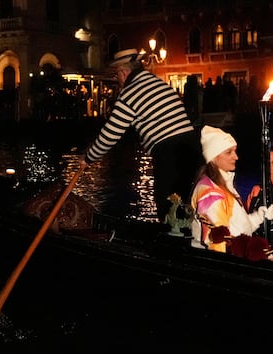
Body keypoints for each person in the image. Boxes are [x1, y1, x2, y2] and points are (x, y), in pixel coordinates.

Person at [82, 49, 203, 223]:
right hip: (192, 148)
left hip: (170, 153)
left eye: (117, 75)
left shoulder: (129, 93)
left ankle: (174, 237)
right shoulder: (158, 83)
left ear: (124, 72)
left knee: (169, 207)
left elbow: (110, 135)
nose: (117, 81)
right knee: (189, 203)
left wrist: (88, 158)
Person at [190, 125, 273, 257]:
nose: (236, 157)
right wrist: (256, 253)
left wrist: (258, 217)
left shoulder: (224, 185)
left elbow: (238, 229)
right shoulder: (210, 194)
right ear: (213, 157)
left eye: (235, 151)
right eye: (229, 152)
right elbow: (218, 242)